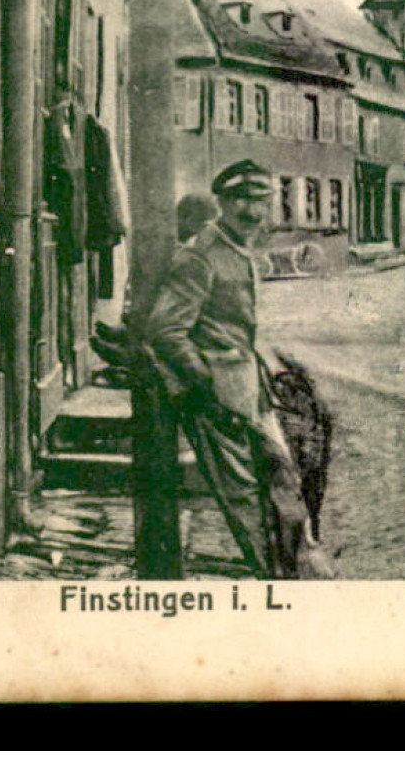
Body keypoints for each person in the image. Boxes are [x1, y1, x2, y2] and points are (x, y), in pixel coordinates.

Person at [146, 159, 324, 579]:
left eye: (260, 202)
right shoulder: (201, 255)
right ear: (222, 203)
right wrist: (206, 383)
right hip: (216, 400)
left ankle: (297, 572)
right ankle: (275, 578)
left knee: (283, 479)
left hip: (248, 390)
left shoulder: (239, 250)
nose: (252, 211)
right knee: (245, 499)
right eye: (241, 201)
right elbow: (166, 330)